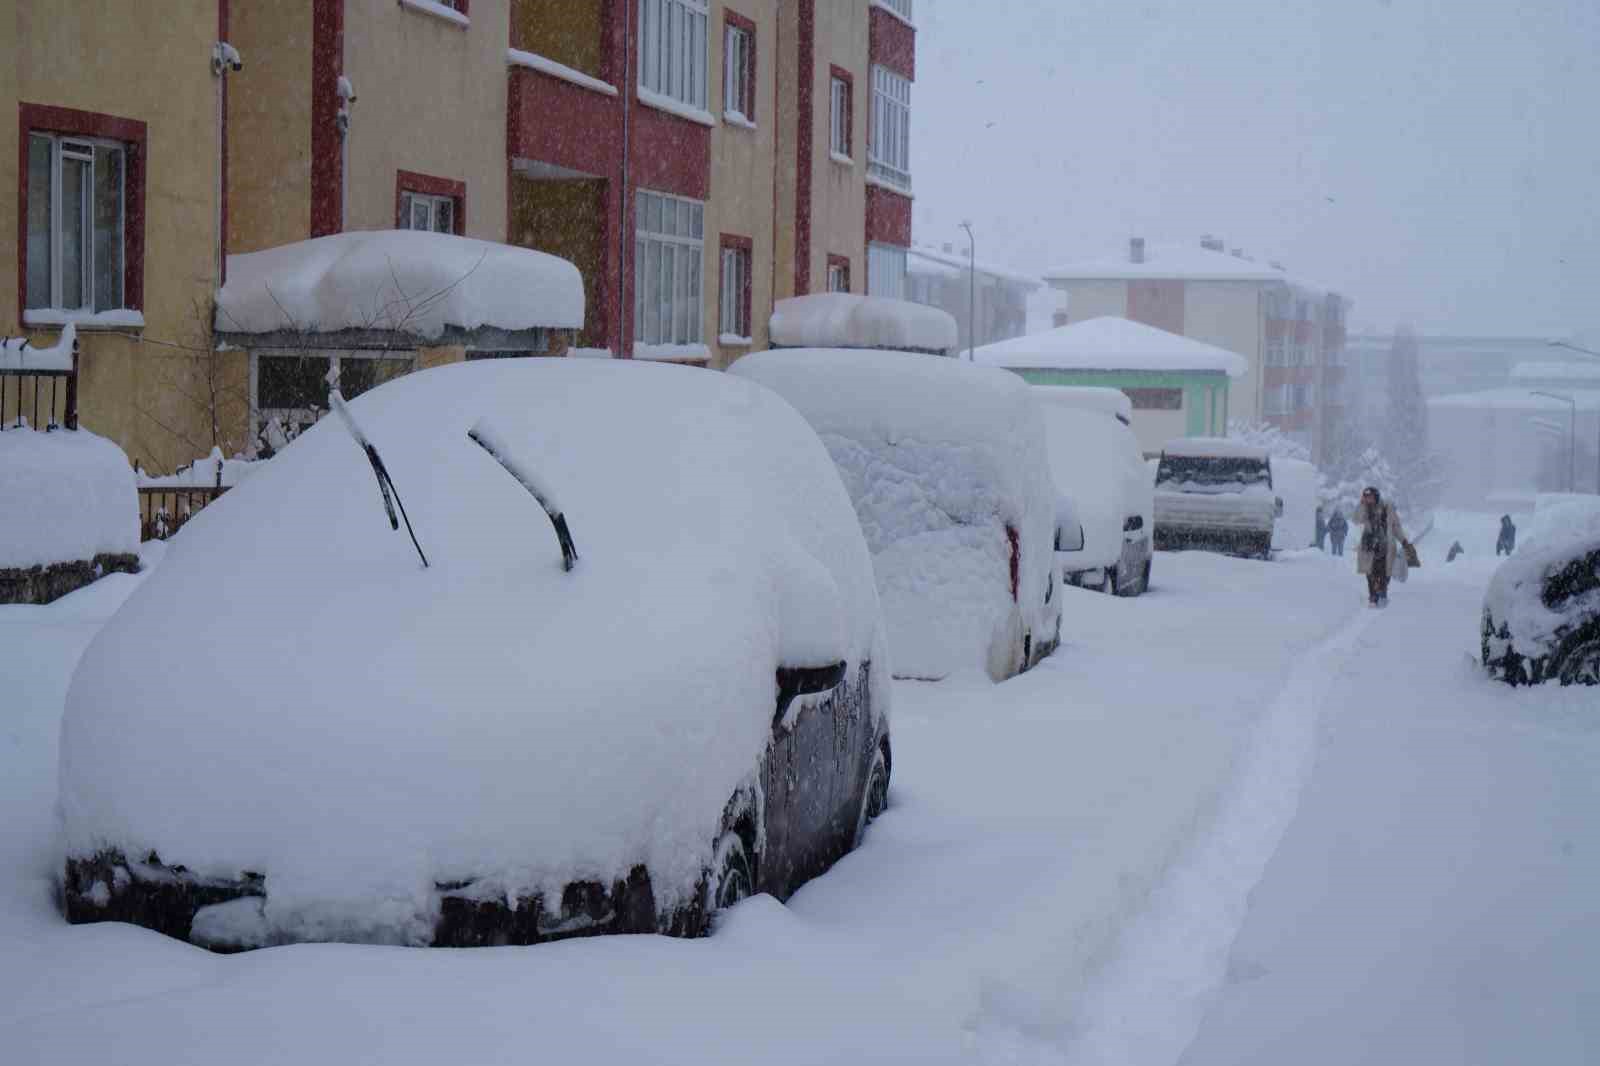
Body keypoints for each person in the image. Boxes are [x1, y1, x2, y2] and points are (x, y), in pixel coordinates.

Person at [1355, 486, 1412, 607]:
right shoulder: (1365, 508)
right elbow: (1356, 519)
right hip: (1369, 547)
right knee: (1370, 573)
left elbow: (1396, 526)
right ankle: (1373, 598)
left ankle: (1383, 594)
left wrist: (1404, 541)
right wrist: (1361, 504)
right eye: (1366, 498)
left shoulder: (1388, 507)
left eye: (1370, 497)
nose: (1368, 500)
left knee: (1385, 574)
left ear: (1376, 496)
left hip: (1386, 547)